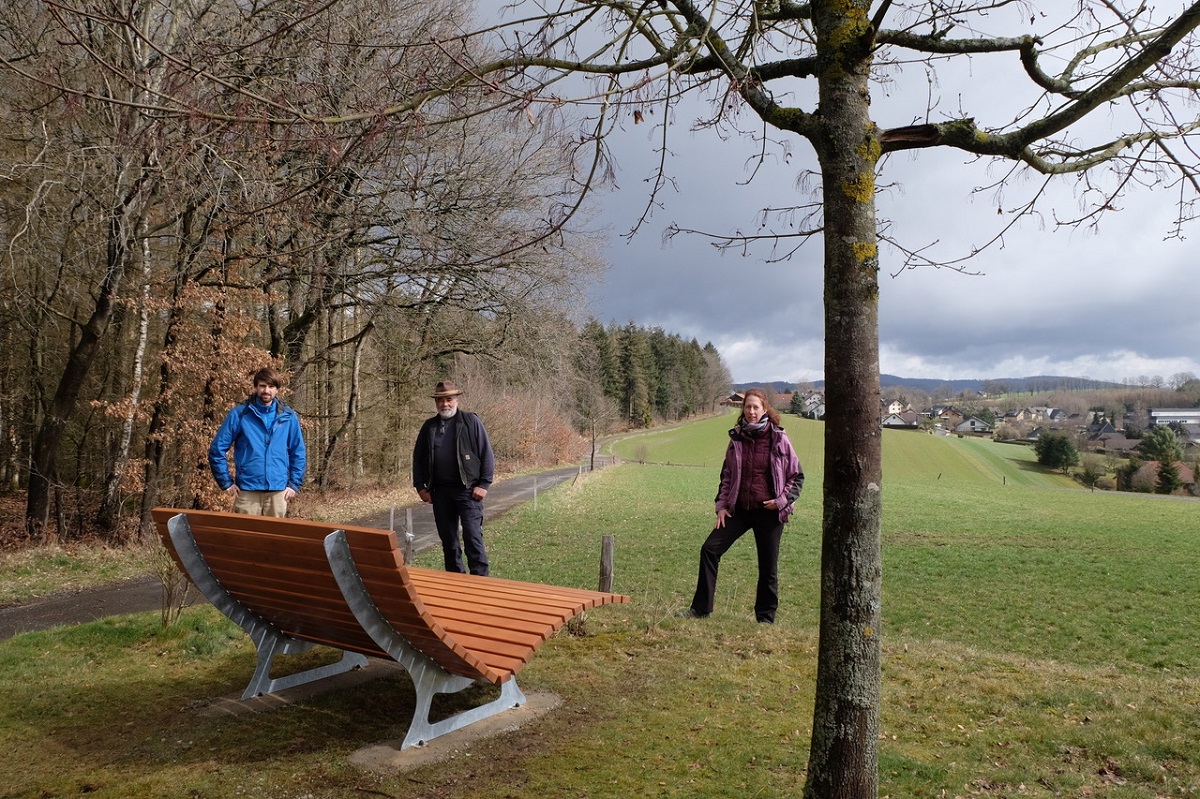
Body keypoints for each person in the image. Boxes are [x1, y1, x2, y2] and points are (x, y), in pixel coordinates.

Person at [680, 387, 804, 623]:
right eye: (747, 407)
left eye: (756, 407)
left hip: (769, 513)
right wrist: (721, 506)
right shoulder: (737, 438)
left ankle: (765, 619)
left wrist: (780, 502)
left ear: (764, 409)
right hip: (739, 510)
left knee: (768, 568)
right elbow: (727, 475)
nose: (751, 411)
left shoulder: (778, 438)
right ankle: (701, 609)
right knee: (709, 549)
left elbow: (797, 477)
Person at [412, 380, 495, 576]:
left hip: (468, 491)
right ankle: (456, 584)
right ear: (436, 403)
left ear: (456, 400)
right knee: (449, 542)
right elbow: (418, 459)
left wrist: (484, 483)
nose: (445, 404)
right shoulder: (429, 427)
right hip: (440, 492)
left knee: (473, 537)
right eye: (440, 400)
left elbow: (487, 454)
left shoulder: (470, 421)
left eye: (449, 399)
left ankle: (480, 585)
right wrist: (420, 487)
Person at [208, 367, 307, 517]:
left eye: (271, 386)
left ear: (277, 390)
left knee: (274, 539)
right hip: (247, 492)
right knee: (245, 539)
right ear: (256, 387)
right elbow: (217, 449)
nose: (266, 390)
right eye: (262, 386)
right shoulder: (240, 414)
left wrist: (294, 484)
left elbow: (298, 452)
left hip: (278, 492)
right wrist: (226, 482)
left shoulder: (288, 417)